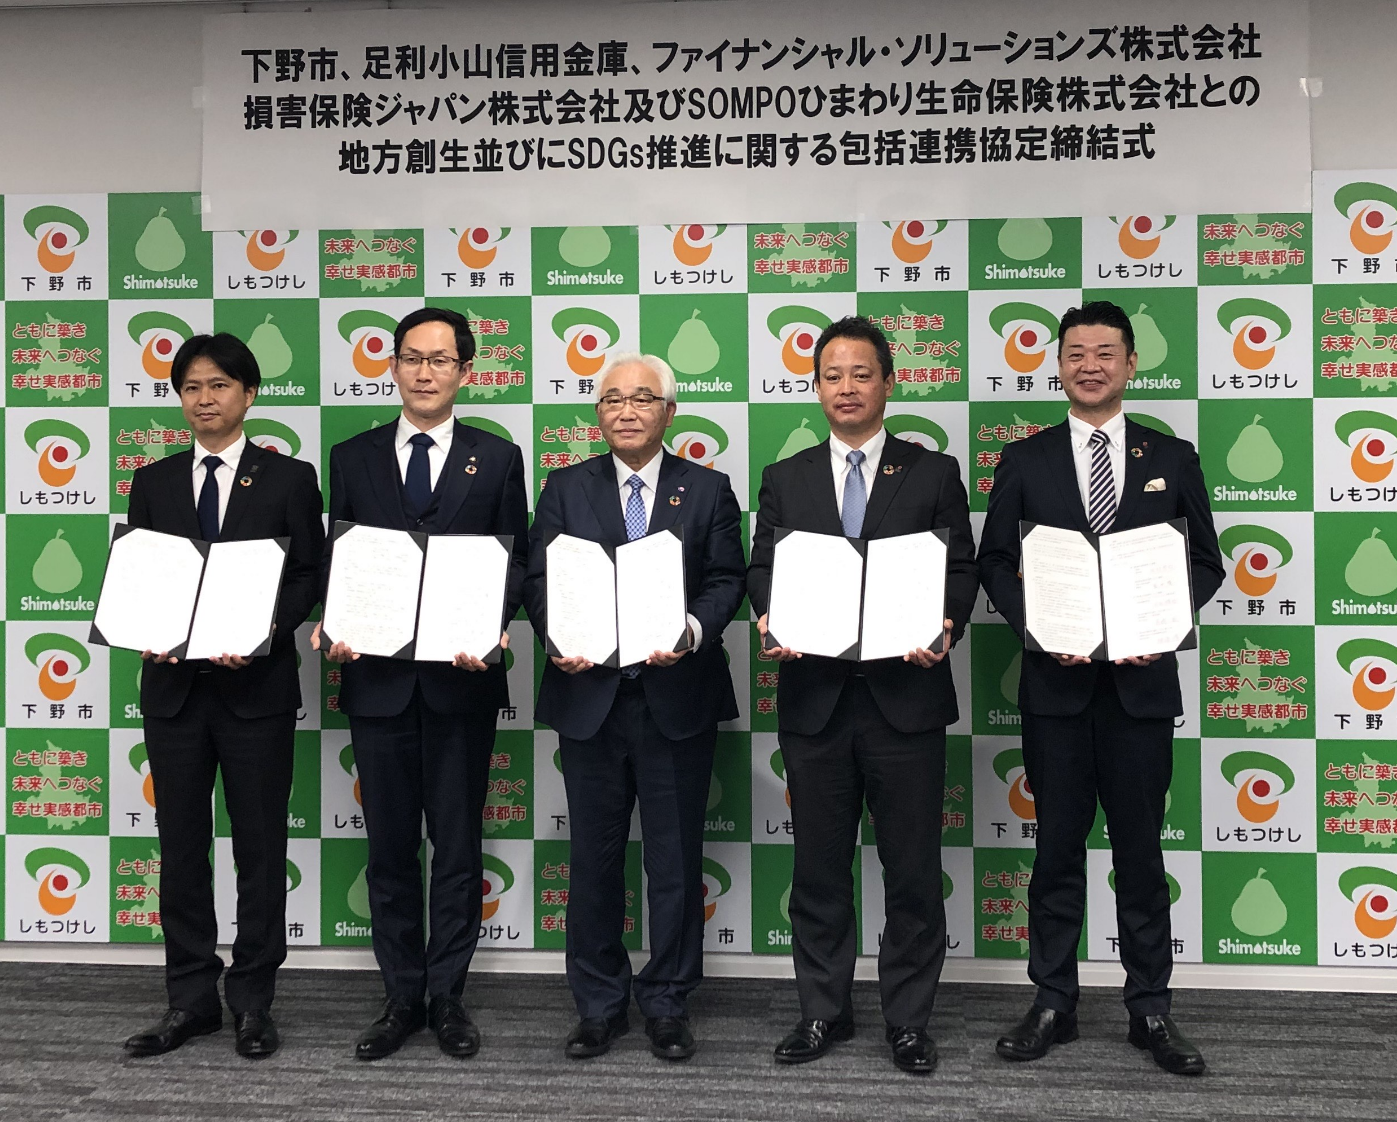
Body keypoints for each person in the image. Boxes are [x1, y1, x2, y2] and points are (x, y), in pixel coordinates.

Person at [977, 301, 1223, 1076]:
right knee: (1055, 851)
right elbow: (993, 562)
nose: (1090, 365)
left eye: (1105, 353)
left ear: (1130, 363)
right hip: (1056, 689)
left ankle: (1150, 1008)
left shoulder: (1171, 456)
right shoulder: (1025, 459)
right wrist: (1037, 624)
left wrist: (1164, 624)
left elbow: (1206, 561)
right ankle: (1053, 1001)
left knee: (1141, 855)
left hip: (1141, 693)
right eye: (1076, 353)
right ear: (1058, 366)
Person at [746, 315, 977, 1073]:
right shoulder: (786, 477)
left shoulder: (933, 473)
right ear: (816, 388)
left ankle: (908, 1020)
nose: (846, 388)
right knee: (818, 869)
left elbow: (962, 570)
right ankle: (823, 1011)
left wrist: (947, 624)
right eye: (832, 376)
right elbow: (761, 569)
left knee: (912, 872)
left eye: (861, 374)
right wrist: (769, 617)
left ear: (888, 382)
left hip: (906, 698)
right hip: (815, 699)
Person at [313, 307, 530, 1062]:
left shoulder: (497, 458)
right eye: (412, 357)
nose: (425, 371)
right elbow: (340, 558)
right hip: (376, 680)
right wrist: (335, 622)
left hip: (461, 682)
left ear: (465, 371)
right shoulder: (353, 456)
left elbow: (516, 560)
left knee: (459, 846)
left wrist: (494, 624)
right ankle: (400, 996)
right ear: (393, 367)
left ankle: (448, 997)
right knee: (390, 848)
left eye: (441, 359)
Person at [524, 353, 745, 1062]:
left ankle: (668, 1001)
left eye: (642, 398)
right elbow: (538, 578)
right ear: (598, 413)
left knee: (675, 862)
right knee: (592, 861)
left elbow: (727, 579)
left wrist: (691, 631)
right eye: (612, 399)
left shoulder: (707, 489)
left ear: (668, 413)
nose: (626, 410)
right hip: (589, 696)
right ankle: (598, 1005)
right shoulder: (564, 487)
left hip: (675, 698)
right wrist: (558, 634)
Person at [122, 332, 324, 1060]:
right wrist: (143, 627)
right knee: (180, 847)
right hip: (173, 691)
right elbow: (142, 575)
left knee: (260, 848)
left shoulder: (289, 478)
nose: (204, 400)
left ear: (249, 394)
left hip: (255, 689)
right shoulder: (153, 481)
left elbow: (309, 574)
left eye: (218, 386)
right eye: (191, 388)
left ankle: (252, 1002)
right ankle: (189, 999)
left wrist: (263, 631)